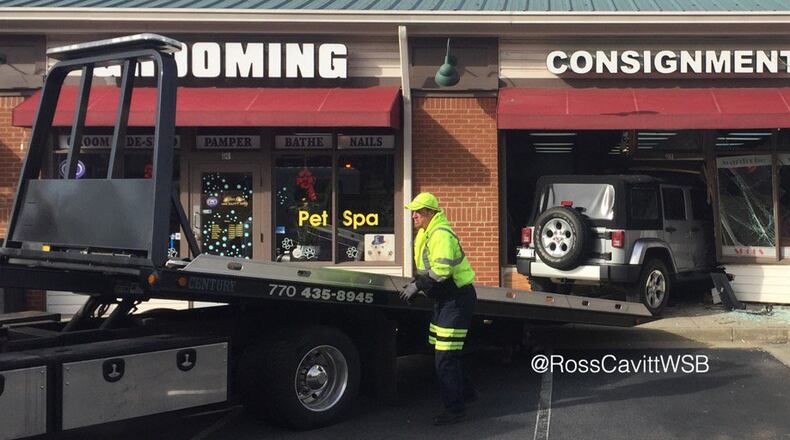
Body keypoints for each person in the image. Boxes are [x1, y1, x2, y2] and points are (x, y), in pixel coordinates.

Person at [401, 192, 478, 426]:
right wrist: (417, 281)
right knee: (445, 350)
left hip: (455, 299)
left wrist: (417, 285)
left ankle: (455, 410)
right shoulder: (427, 232)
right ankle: (467, 393)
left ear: (430, 213)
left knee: (444, 357)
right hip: (445, 300)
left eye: (418, 211)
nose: (414, 215)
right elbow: (428, 267)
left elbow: (442, 272)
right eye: (413, 211)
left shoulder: (440, 234)